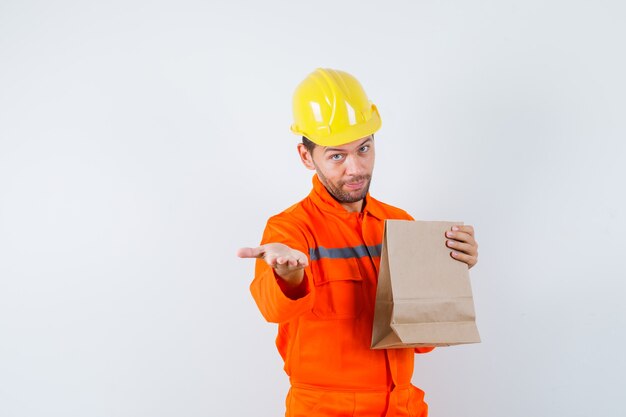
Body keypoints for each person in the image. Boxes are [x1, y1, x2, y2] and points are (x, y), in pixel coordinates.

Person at [237, 68, 479, 417]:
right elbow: (274, 309)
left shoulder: (398, 222)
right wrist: (289, 278)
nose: (356, 168)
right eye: (337, 156)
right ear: (307, 157)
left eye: (363, 148)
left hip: (402, 406)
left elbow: (422, 340)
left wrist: (450, 272)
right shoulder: (289, 229)